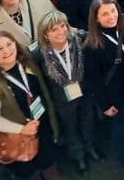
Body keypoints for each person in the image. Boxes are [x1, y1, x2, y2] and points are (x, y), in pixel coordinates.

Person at [0, 31, 61, 180]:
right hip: (19, 137)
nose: (7, 50)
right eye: (0, 48)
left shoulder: (27, 64)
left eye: (9, 44)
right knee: (29, 172)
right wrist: (22, 129)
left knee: (49, 161)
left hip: (41, 125)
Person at [82, 0, 124, 171]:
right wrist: (104, 105)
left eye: (113, 11)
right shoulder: (92, 45)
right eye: (104, 14)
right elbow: (93, 80)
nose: (111, 16)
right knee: (121, 129)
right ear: (96, 18)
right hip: (114, 95)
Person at [33, 10, 100, 175]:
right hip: (62, 99)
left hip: (84, 92)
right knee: (70, 129)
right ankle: (78, 157)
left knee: (88, 121)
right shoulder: (38, 54)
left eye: (62, 26)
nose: (60, 31)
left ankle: (90, 147)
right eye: (53, 29)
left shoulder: (79, 40)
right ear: (45, 35)